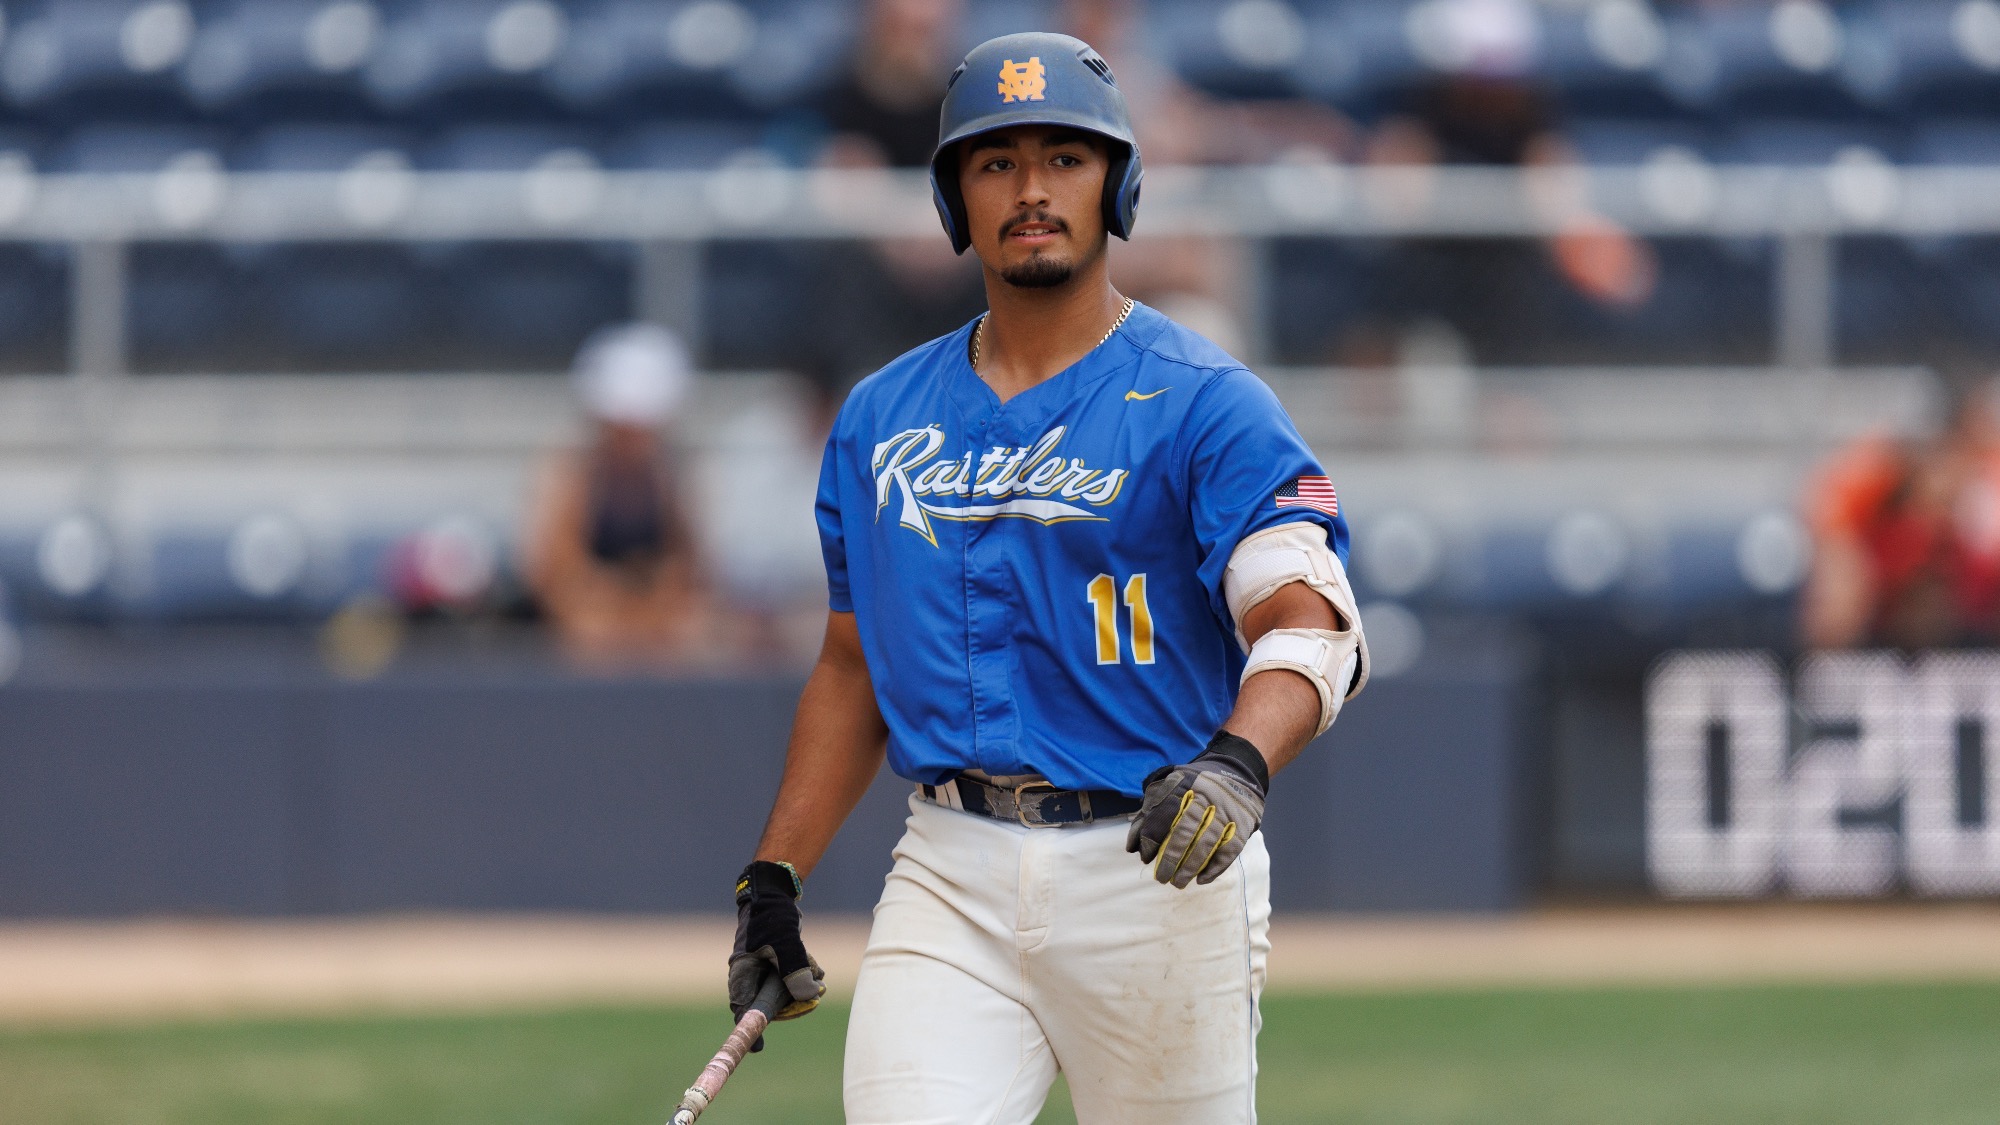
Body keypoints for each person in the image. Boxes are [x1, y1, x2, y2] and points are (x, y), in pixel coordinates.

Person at [726, 33, 1368, 1123]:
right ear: (952, 199)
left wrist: (1237, 766)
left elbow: (1311, 627)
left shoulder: (1205, 399)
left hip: (1158, 870)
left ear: (1114, 183)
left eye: (1064, 158)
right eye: (994, 162)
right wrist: (773, 882)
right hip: (949, 864)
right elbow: (849, 667)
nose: (1030, 189)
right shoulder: (880, 418)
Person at [523, 323, 710, 669]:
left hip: (658, 631)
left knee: (697, 633)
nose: (633, 437)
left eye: (642, 426)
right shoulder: (568, 472)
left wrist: (651, 615)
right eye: (623, 425)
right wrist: (611, 613)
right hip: (585, 631)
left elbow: (693, 571)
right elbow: (552, 575)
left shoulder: (675, 474)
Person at [1802, 390, 2000, 650]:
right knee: (1838, 586)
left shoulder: (1985, 479)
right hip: (1880, 589)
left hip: (1967, 605)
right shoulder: (1880, 472)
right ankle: (1825, 680)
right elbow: (1824, 505)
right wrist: (1843, 563)